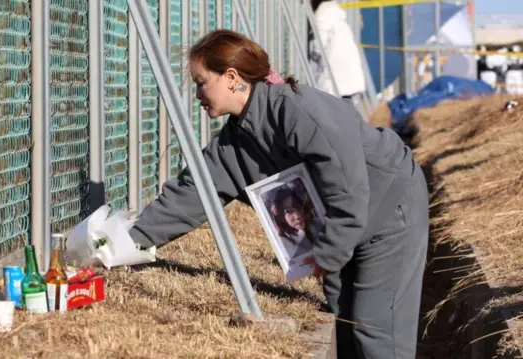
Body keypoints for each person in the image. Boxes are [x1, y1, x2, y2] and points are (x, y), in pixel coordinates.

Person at [128, 29, 429, 359]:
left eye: (201, 82)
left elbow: (348, 190)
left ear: (231, 77)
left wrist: (328, 254)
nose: (198, 93)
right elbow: (192, 192)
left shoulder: (297, 109)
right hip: (348, 222)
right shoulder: (234, 142)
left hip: (390, 210)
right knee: (344, 318)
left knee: (376, 326)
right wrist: (129, 243)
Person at [310, 0, 366, 99]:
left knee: (332, 107)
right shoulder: (335, 12)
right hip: (346, 74)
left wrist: (313, 53)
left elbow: (319, 42)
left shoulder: (323, 12)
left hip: (336, 75)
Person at [267, 186, 315, 263]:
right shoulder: (285, 245)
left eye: (298, 207)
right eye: (289, 211)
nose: (297, 216)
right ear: (280, 216)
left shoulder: (316, 227)